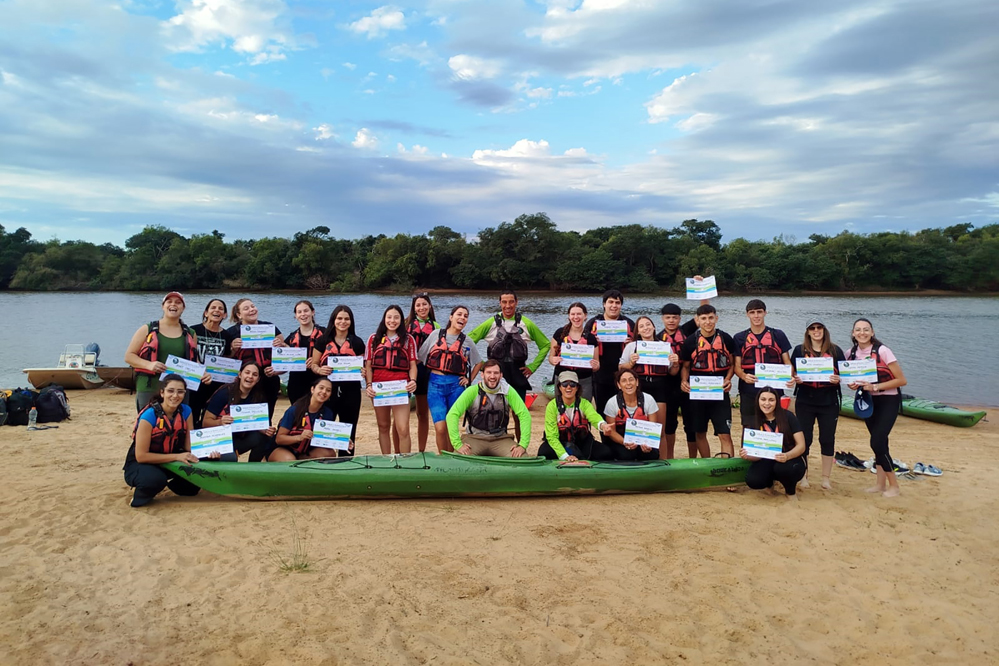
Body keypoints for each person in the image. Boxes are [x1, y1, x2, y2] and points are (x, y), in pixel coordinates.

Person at [467, 290, 550, 441]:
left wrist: (532, 367)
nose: (508, 305)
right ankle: (498, 442)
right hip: (495, 376)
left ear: (516, 302)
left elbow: (545, 345)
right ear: (500, 303)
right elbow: (470, 340)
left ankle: (521, 444)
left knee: (519, 413)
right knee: (496, 411)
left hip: (517, 374)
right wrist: (483, 364)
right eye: (504, 302)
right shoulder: (491, 323)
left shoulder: (526, 324)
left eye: (511, 302)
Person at [123, 373, 209, 507]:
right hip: (144, 462)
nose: (175, 396)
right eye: (171, 391)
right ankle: (141, 491)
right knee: (154, 480)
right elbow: (141, 456)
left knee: (192, 487)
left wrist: (209, 452)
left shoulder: (186, 411)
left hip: (171, 459)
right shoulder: (149, 416)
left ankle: (174, 485)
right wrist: (177, 456)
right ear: (162, 393)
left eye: (180, 392)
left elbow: (188, 447)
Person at [846, 318, 908, 498]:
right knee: (880, 444)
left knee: (877, 442)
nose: (862, 333)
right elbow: (849, 376)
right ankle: (880, 484)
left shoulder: (883, 351)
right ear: (853, 333)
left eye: (866, 329)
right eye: (858, 330)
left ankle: (894, 486)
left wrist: (875, 387)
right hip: (868, 401)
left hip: (888, 400)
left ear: (872, 332)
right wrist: (852, 384)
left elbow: (901, 380)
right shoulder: (850, 353)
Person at [124, 291, 206, 413]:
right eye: (169, 302)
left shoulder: (190, 333)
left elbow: (195, 362)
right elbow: (129, 356)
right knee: (150, 423)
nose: (173, 305)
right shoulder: (147, 329)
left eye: (178, 303)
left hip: (177, 390)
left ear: (183, 308)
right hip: (150, 386)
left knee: (176, 425)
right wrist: (149, 365)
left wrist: (203, 373)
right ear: (163, 306)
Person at [418, 305, 483, 453]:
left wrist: (469, 379)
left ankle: (451, 456)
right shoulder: (436, 335)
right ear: (451, 317)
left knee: (451, 425)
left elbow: (478, 363)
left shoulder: (467, 342)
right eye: (459, 314)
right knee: (440, 428)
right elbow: (420, 357)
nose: (462, 318)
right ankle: (443, 457)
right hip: (435, 385)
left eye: (465, 316)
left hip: (456, 386)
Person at [789, 321, 845, 490]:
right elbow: (791, 373)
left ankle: (825, 478)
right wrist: (795, 378)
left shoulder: (836, 351)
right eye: (812, 328)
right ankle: (804, 476)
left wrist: (839, 379)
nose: (816, 331)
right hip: (805, 400)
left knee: (827, 439)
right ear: (808, 332)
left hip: (829, 401)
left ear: (824, 330)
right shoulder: (799, 350)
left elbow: (846, 375)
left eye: (819, 328)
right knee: (805, 438)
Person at [679, 304, 737, 457]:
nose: (708, 322)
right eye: (703, 318)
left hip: (720, 392)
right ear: (697, 320)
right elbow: (685, 366)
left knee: (725, 433)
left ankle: (727, 465)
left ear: (716, 318)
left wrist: (728, 378)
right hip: (698, 394)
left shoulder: (726, 339)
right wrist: (684, 381)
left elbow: (732, 364)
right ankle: (707, 463)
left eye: (711, 318)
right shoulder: (690, 342)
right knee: (700, 432)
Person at [311, 304, 366, 455]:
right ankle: (324, 457)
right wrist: (320, 370)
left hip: (351, 391)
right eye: (339, 318)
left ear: (351, 321)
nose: (343, 322)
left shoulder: (357, 342)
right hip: (328, 392)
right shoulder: (322, 341)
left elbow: (363, 366)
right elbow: (314, 365)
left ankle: (346, 459)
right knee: (326, 425)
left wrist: (363, 371)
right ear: (333, 320)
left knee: (349, 426)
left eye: (346, 319)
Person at [445, 360, 531, 457]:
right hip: (474, 438)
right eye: (489, 372)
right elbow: (452, 415)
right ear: (482, 375)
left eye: (496, 373)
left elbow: (524, 415)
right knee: (459, 459)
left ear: (501, 375)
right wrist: (458, 444)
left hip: (500, 439)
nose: (492, 376)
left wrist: (522, 445)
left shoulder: (508, 391)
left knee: (522, 457)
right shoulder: (472, 391)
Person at [364, 305, 419, 455]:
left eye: (396, 317)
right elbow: (368, 365)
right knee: (383, 426)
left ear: (401, 320)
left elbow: (413, 365)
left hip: (400, 388)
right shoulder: (373, 339)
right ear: (384, 319)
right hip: (379, 388)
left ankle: (405, 459)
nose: (392, 321)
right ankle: (386, 458)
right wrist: (368, 385)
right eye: (389, 317)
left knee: (403, 428)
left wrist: (413, 381)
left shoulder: (408, 340)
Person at [732, 299, 792, 430]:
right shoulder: (739, 338)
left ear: (765, 313)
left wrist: (791, 376)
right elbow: (736, 366)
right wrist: (743, 376)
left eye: (759, 312)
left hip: (774, 390)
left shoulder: (778, 335)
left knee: (776, 427)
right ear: (747, 314)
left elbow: (787, 362)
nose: (756, 316)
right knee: (749, 427)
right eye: (752, 312)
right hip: (749, 390)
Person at [619, 315, 675, 453]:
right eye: (642, 326)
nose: (646, 328)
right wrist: (631, 363)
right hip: (640, 386)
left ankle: (663, 462)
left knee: (659, 429)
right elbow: (620, 367)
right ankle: (639, 457)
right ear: (637, 331)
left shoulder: (664, 346)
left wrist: (676, 362)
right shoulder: (631, 346)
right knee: (639, 426)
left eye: (648, 324)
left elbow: (673, 372)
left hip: (659, 386)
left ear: (654, 327)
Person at [740, 387, 807, 500]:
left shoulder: (788, 416)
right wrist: (747, 455)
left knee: (784, 469)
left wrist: (787, 456)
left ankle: (790, 492)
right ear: (758, 401)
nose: (767, 403)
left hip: (789, 459)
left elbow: (801, 446)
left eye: (771, 400)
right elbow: (754, 456)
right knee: (753, 480)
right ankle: (769, 484)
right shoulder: (752, 421)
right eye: (763, 399)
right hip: (766, 459)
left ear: (777, 401)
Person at [202, 361, 276, 463]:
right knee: (231, 458)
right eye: (247, 372)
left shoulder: (258, 397)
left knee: (265, 438)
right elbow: (205, 422)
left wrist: (264, 430)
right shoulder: (225, 392)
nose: (250, 377)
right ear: (240, 374)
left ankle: (253, 468)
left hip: (238, 439)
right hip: (218, 439)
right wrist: (220, 422)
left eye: (254, 375)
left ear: (258, 379)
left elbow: (255, 424)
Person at [225, 298, 286, 417]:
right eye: (246, 308)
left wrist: (281, 345)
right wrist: (232, 348)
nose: (251, 310)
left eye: (253, 306)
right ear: (239, 315)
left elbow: (284, 353)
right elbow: (226, 360)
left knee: (266, 415)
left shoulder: (270, 328)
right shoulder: (231, 333)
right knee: (243, 414)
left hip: (269, 378)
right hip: (244, 380)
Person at [539, 371, 614, 461]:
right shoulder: (552, 406)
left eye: (572, 384)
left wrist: (603, 425)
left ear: (577, 387)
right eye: (565, 384)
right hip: (561, 442)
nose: (568, 387)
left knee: (606, 452)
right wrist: (564, 456)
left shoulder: (584, 404)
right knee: (543, 452)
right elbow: (551, 436)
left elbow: (594, 416)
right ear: (559, 387)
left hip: (581, 442)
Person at [658, 303, 700, 458]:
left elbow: (702, 314)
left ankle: (692, 458)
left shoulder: (686, 330)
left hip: (688, 382)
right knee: (669, 424)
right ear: (662, 319)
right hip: (668, 384)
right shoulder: (656, 337)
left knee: (690, 423)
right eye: (668, 317)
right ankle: (670, 457)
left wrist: (702, 292)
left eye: (674, 317)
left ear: (679, 318)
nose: (671, 321)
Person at [400, 293, 439, 453]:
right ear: (413, 308)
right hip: (405, 371)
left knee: (423, 414)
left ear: (429, 306)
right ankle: (401, 449)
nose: (422, 308)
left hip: (425, 372)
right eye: (418, 305)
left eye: (424, 304)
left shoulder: (436, 327)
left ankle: (421, 450)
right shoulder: (406, 324)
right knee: (402, 416)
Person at [586, 290, 636, 415]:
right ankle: (605, 435)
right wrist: (592, 342)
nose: (614, 306)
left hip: (623, 374)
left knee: (624, 410)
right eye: (611, 302)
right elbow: (582, 346)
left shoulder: (629, 323)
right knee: (602, 410)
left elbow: (640, 347)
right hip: (600, 375)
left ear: (621, 305)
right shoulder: (593, 323)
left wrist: (631, 343)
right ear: (604, 304)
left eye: (617, 303)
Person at [268, 378, 337, 461]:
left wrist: (344, 441)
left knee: (330, 454)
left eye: (328, 390)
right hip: (283, 448)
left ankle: (301, 459)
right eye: (321, 388)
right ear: (312, 389)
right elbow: (279, 439)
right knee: (289, 460)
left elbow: (326, 438)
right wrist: (300, 437)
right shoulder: (294, 410)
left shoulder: (328, 413)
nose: (324, 392)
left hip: (305, 450)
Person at [601, 368, 661, 461]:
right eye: (624, 381)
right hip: (622, 440)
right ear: (619, 385)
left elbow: (653, 427)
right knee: (626, 455)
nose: (628, 383)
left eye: (631, 379)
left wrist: (648, 444)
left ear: (637, 382)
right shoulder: (612, 403)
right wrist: (625, 442)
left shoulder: (649, 399)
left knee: (652, 454)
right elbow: (611, 432)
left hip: (643, 440)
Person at [190, 298, 230, 428]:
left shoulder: (227, 335)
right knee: (193, 416)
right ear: (206, 312)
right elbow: (188, 354)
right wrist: (200, 371)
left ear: (225, 315)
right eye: (213, 307)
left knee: (210, 417)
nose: (216, 310)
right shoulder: (193, 331)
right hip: (195, 382)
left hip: (216, 384)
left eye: (220, 309)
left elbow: (228, 359)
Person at [548, 302, 600, 400]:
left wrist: (595, 366)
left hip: (584, 379)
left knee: (583, 408)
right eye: (573, 314)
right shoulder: (559, 333)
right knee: (561, 407)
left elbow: (597, 364)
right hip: (562, 377)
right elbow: (551, 357)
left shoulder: (591, 338)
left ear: (585, 316)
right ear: (569, 316)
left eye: (579, 314)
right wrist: (553, 360)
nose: (576, 317)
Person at [284, 299, 325, 405]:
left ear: (313, 312)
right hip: (296, 383)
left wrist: (317, 361)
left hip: (319, 381)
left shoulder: (325, 334)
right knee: (298, 414)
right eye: (299, 312)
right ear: (295, 316)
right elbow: (282, 361)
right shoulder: (291, 338)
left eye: (306, 311)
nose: (303, 314)